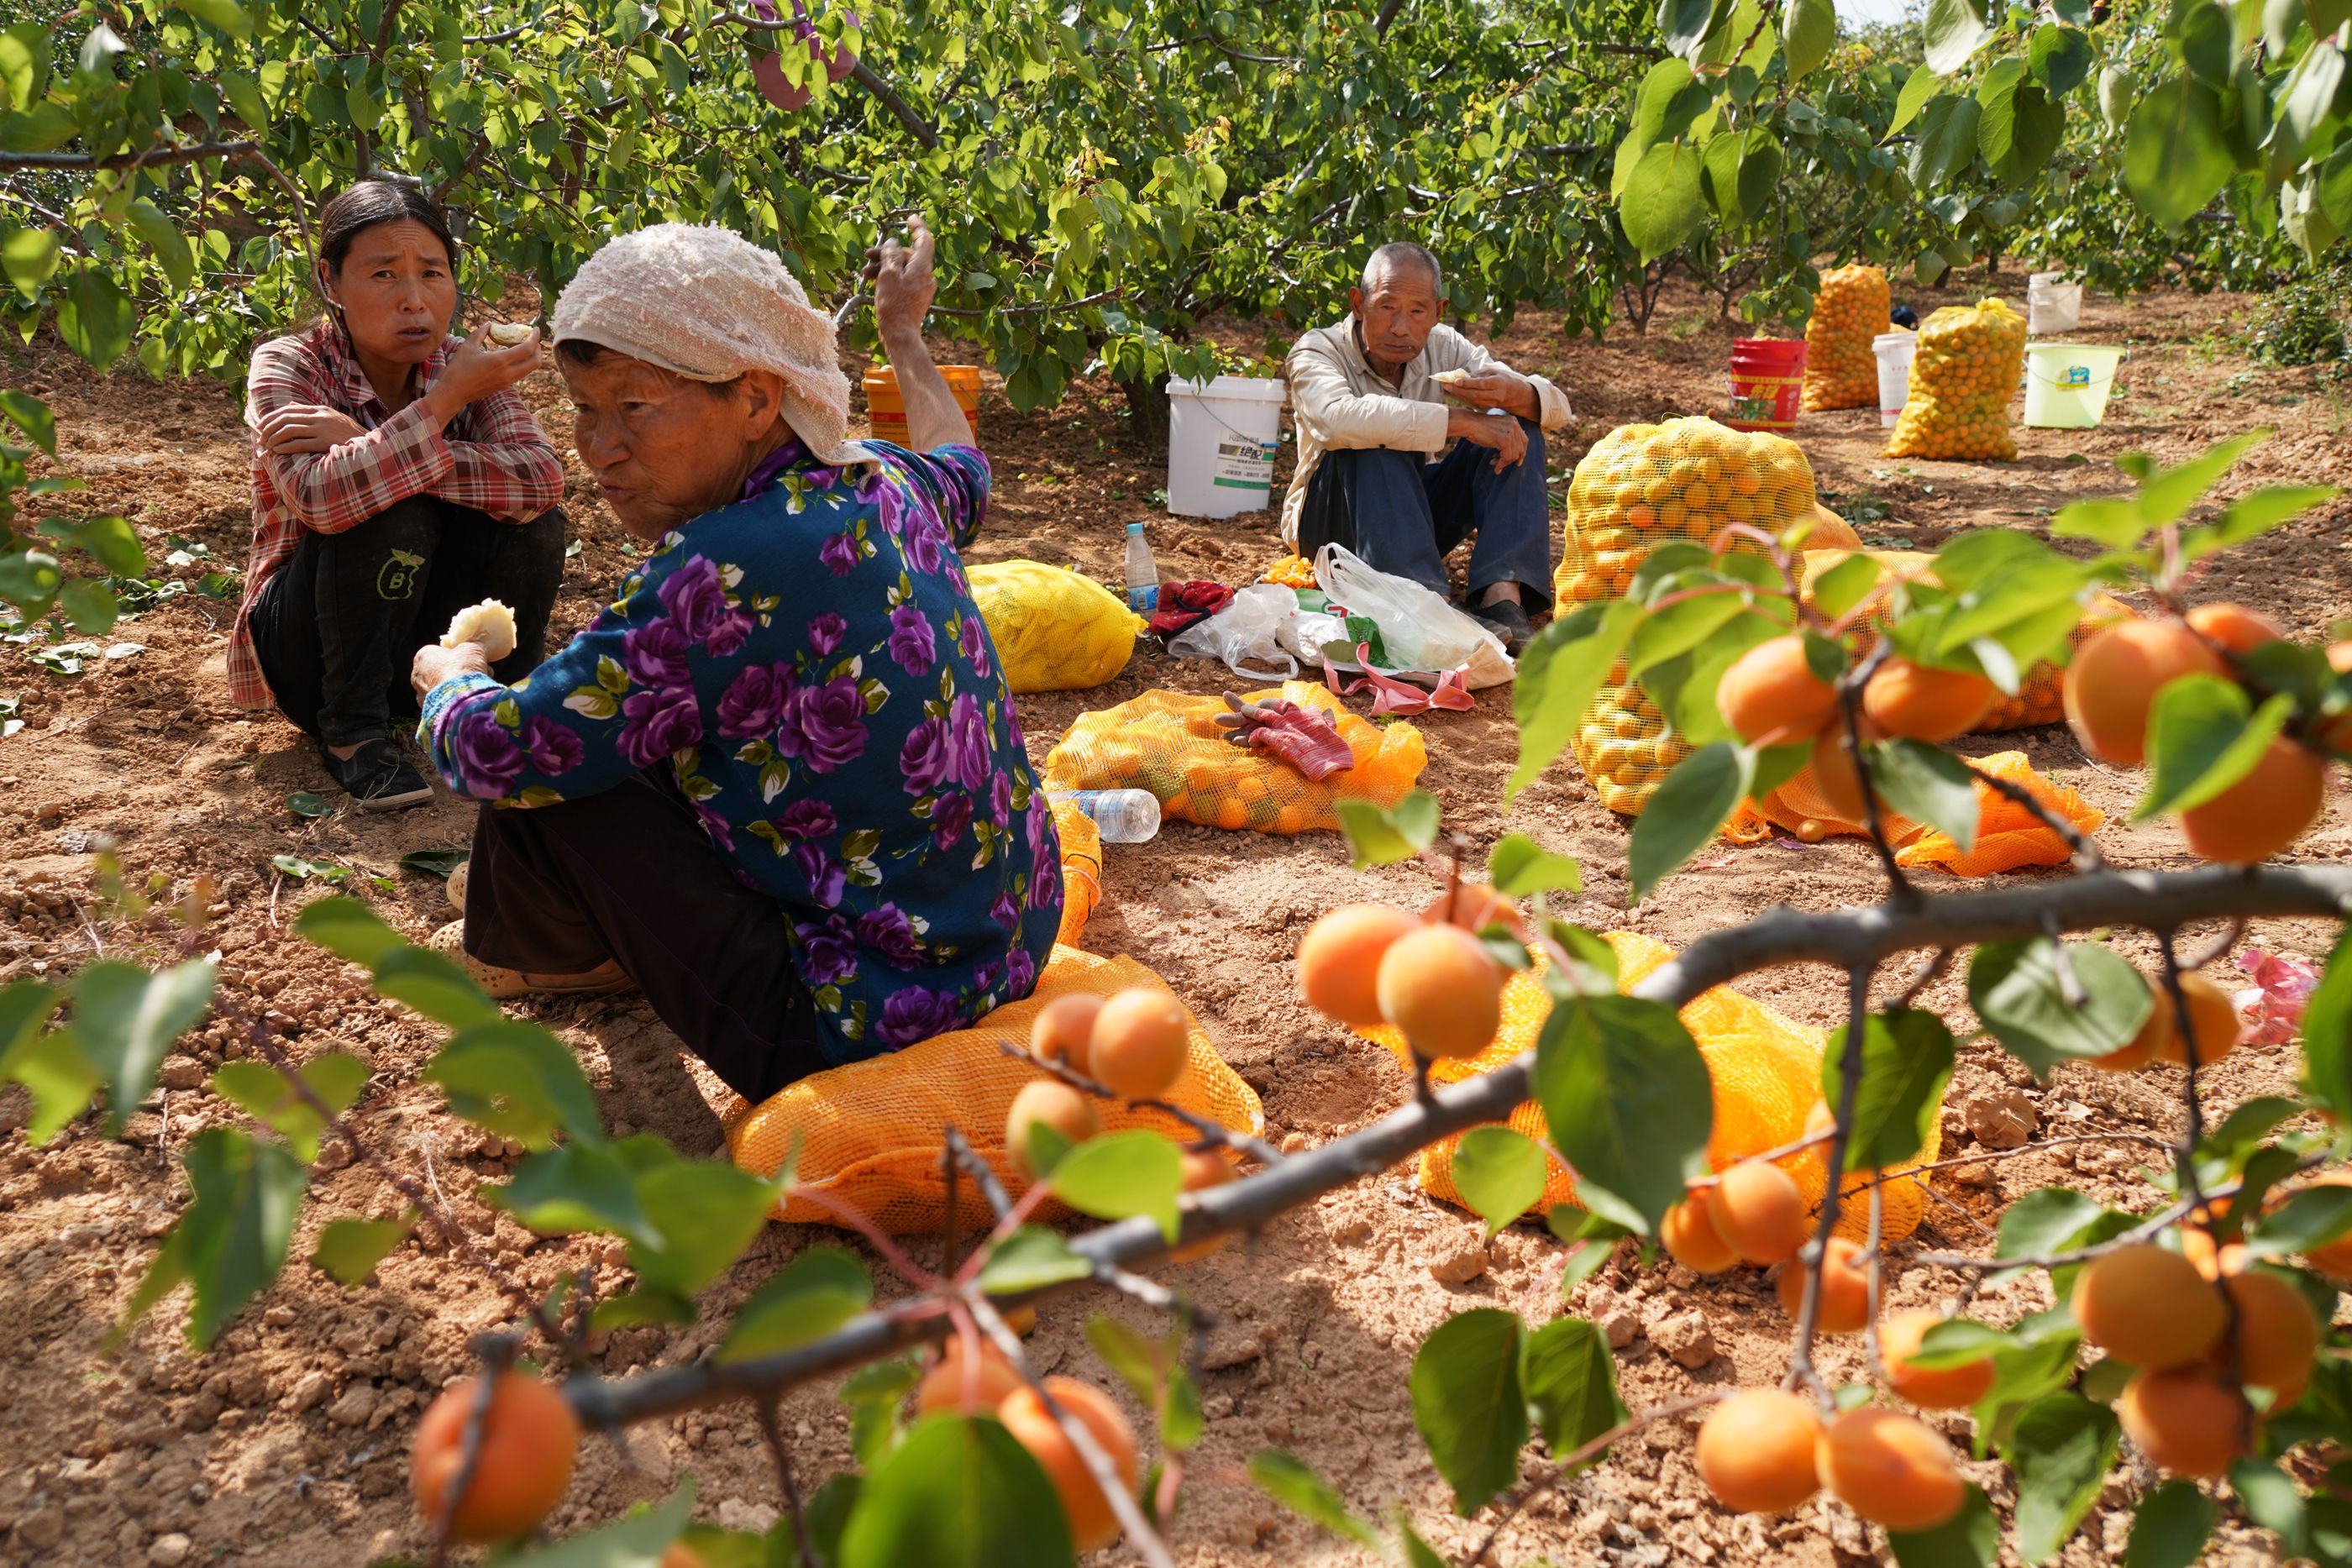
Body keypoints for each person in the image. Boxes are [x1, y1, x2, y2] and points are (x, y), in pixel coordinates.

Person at [406, 217, 1061, 1104]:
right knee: (610, 706)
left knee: (548, 752)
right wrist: (903, 333)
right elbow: (965, 465)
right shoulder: (883, 481)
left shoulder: (721, 568)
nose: (599, 448)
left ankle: (550, 954)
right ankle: (561, 941)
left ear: (756, 400)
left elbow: (492, 753)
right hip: (1006, 943)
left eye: (635, 405)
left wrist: (450, 680)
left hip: (840, 1018)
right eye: (586, 411)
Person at [234, 178, 567, 810]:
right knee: (383, 511)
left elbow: (540, 479)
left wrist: (365, 439)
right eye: (384, 274)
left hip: (422, 643)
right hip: (315, 656)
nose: (414, 301)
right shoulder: (289, 364)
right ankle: (353, 736)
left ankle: (507, 699)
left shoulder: (464, 365)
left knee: (537, 525)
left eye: (432, 274)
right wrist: (441, 408)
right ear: (331, 282)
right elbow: (322, 498)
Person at [1280, 242, 1573, 653]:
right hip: (1333, 524)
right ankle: (1428, 602)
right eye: (1386, 307)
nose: (1401, 326)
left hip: (1407, 520)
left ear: (1437, 312)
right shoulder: (1318, 350)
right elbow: (1336, 419)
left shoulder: (1443, 345)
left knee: (1514, 424)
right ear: (1358, 303)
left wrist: (1514, 393)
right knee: (1374, 436)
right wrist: (1462, 421)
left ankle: (1503, 597)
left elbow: (1556, 407)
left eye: (1417, 311)